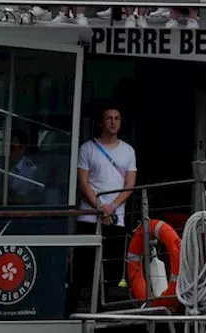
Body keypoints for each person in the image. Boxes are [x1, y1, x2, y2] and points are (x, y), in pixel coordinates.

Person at [74, 107, 136, 309]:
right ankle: (76, 307)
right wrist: (100, 207)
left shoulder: (128, 151)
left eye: (117, 118)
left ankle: (107, 308)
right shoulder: (87, 149)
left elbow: (130, 184)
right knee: (84, 266)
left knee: (112, 266)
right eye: (108, 118)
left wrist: (112, 207)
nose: (113, 122)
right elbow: (83, 183)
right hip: (89, 217)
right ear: (101, 122)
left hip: (116, 217)